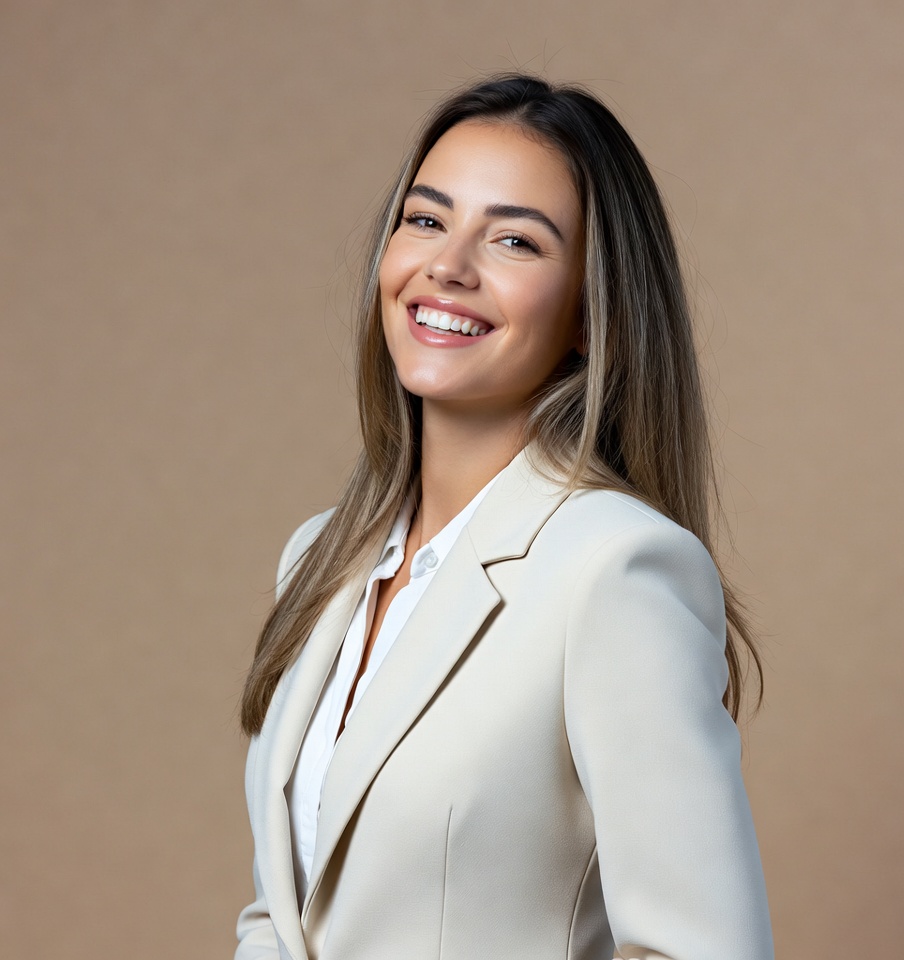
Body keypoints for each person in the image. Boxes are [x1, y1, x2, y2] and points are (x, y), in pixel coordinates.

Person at [235, 73, 774, 960]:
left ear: (589, 316)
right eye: (426, 219)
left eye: (516, 241)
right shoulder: (317, 559)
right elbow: (281, 915)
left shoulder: (617, 569)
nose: (447, 265)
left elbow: (704, 948)